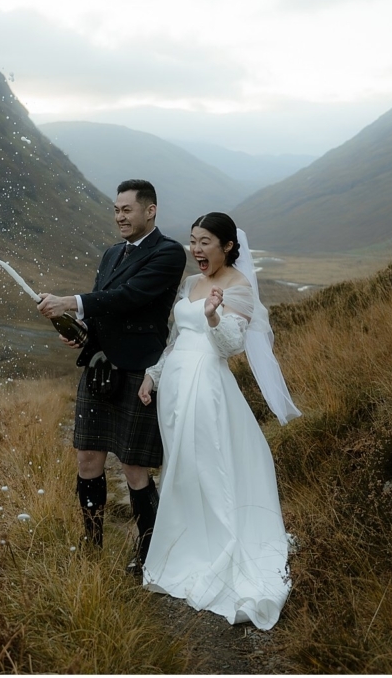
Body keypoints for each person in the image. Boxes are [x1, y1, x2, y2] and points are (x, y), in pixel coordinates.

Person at [137, 212, 302, 630]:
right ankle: (188, 538)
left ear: (227, 246)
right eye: (193, 241)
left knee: (207, 466)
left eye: (205, 242)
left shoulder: (239, 287)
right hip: (174, 387)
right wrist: (153, 374)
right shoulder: (192, 284)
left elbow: (230, 346)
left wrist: (213, 316)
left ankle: (219, 549)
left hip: (207, 387)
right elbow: (177, 339)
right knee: (182, 466)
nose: (196, 250)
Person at [37, 179, 187, 572]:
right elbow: (105, 308)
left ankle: (147, 553)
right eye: (117, 210)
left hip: (139, 371)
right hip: (100, 366)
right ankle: (92, 543)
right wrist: (86, 337)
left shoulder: (168, 253)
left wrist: (70, 301)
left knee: (134, 466)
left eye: (127, 209)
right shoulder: (111, 253)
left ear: (150, 210)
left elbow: (131, 298)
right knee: (87, 459)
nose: (119, 216)